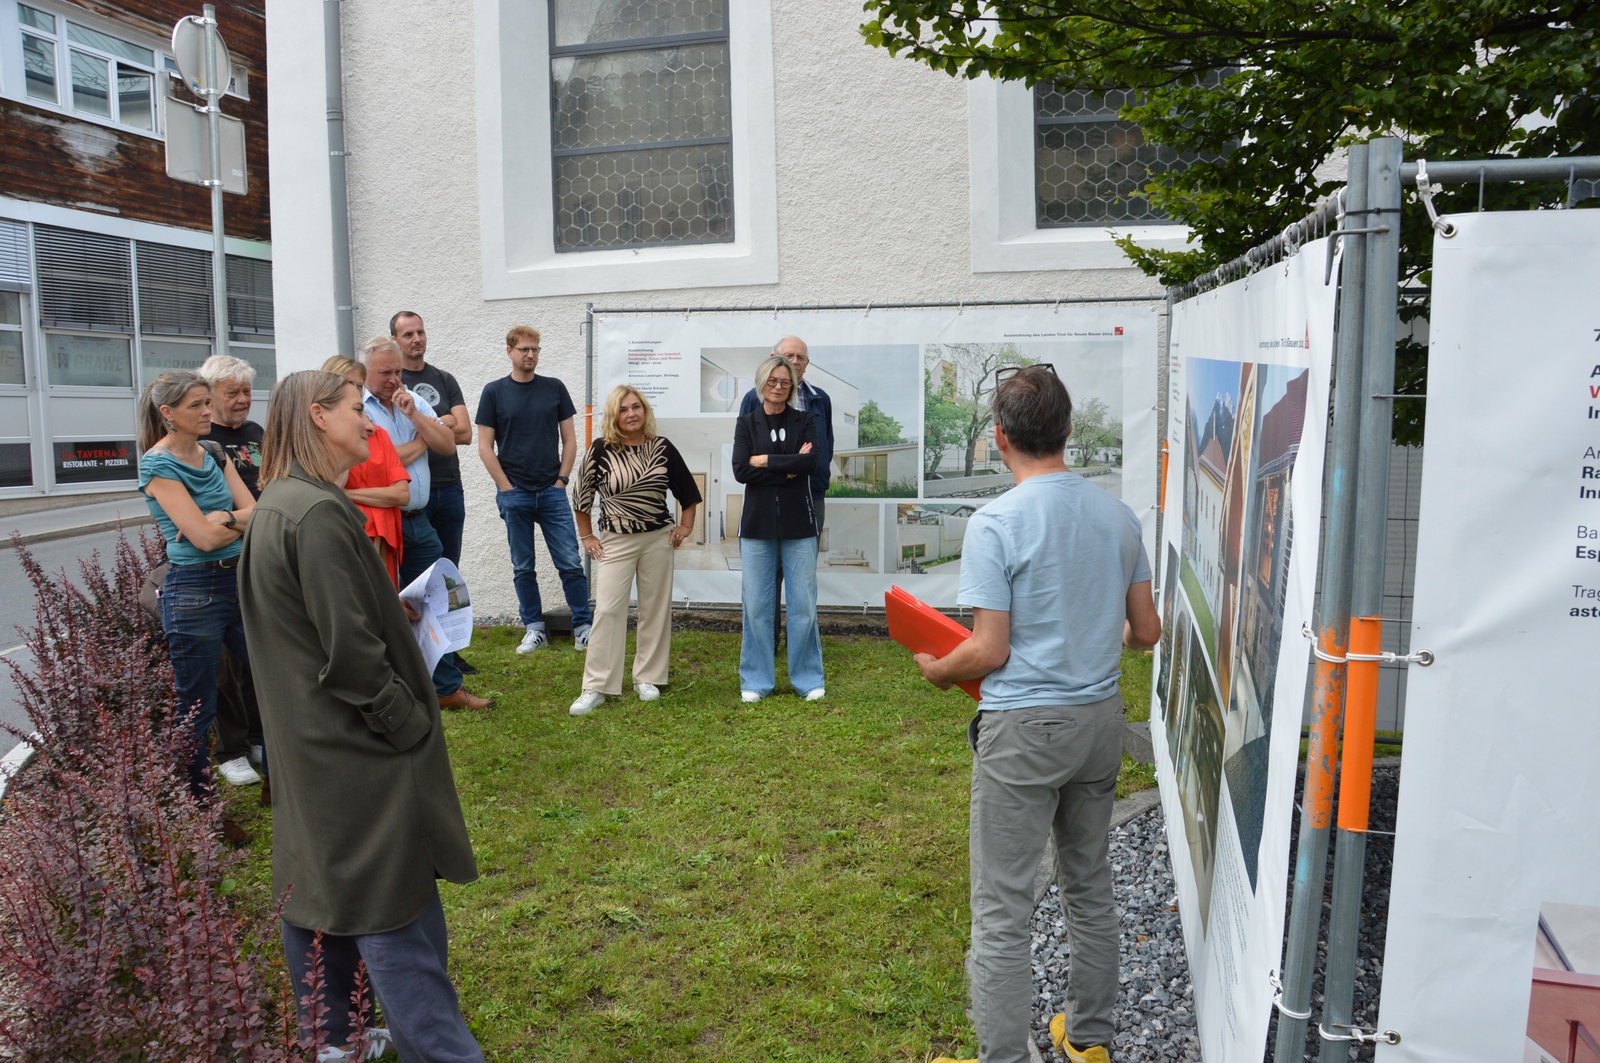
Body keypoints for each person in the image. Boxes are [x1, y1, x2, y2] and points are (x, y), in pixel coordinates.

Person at [912, 365, 1161, 1063]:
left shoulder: (995, 522)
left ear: (999, 437)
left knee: (1001, 910)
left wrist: (939, 668)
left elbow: (988, 648)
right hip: (1100, 722)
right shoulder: (1119, 516)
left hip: (1024, 730)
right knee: (1089, 886)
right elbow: (1146, 631)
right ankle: (1089, 1040)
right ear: (1068, 431)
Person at [239, 370, 483, 1063]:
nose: (370, 423)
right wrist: (408, 722)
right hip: (354, 747)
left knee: (321, 889)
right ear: (318, 416)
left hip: (311, 743)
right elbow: (351, 658)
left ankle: (335, 1038)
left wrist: (385, 605)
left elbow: (313, 625)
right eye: (355, 410)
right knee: (391, 902)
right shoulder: (317, 514)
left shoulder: (283, 503)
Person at [136, 371, 256, 823]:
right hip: (194, 592)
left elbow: (256, 510)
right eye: (197, 405)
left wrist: (222, 517)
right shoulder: (157, 466)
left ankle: (280, 779)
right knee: (196, 707)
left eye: (208, 402)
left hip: (239, 581)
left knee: (271, 675)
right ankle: (202, 811)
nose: (208, 411)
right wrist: (230, 520)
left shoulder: (214, 452)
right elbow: (203, 540)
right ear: (168, 413)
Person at [363, 337, 492, 710]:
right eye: (384, 373)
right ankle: (399, 687)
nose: (393, 379)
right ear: (366, 372)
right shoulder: (360, 409)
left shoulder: (412, 401)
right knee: (388, 606)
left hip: (419, 520)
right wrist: (420, 443)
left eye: (397, 371)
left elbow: (448, 445)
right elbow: (380, 463)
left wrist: (416, 419)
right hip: (383, 521)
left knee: (439, 598)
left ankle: (446, 687)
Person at [568, 386, 701, 717]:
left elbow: (688, 491)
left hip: (658, 539)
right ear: (614, 416)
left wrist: (685, 527)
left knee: (654, 609)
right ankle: (596, 686)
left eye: (636, 407)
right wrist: (587, 536)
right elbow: (581, 497)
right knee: (608, 610)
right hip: (616, 540)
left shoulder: (661, 447)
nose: (631, 414)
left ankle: (648, 677)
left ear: (645, 411)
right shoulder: (601, 449)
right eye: (624, 409)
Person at [476, 325, 592, 654]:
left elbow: (570, 440)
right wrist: (506, 488)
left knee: (570, 562)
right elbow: (484, 447)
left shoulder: (554, 388)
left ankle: (583, 628)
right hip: (515, 494)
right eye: (524, 349)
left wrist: (562, 481)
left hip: (551, 492)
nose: (530, 355)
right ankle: (534, 628)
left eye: (535, 349)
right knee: (523, 566)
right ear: (509, 352)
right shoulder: (494, 392)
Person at [732, 355, 824, 703]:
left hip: (799, 523)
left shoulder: (805, 420)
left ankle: (807, 679)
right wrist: (788, 468)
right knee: (756, 605)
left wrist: (766, 461)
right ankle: (756, 680)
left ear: (793, 386)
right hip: (757, 525)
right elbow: (741, 470)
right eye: (773, 381)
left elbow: (811, 462)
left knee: (803, 605)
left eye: (785, 382)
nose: (779, 387)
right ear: (762, 383)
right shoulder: (746, 423)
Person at [393, 311, 479, 676]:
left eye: (420, 332)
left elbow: (465, 433)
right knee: (415, 583)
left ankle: (448, 653)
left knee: (447, 577)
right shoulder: (393, 384)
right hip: (415, 497)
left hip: (450, 489)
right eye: (408, 334)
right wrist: (440, 425)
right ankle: (418, 655)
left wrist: (429, 428)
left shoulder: (444, 379)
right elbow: (445, 429)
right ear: (395, 340)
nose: (416, 339)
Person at [197, 354, 266, 793]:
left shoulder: (257, 433)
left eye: (246, 391)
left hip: (260, 554)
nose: (242, 400)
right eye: (232, 393)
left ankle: (259, 738)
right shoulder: (203, 441)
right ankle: (231, 750)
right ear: (209, 397)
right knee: (224, 664)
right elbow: (209, 515)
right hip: (221, 560)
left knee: (258, 653)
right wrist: (244, 518)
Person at [738, 336, 833, 645]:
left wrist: (771, 462)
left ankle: (800, 643)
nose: (794, 362)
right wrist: (790, 468)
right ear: (773, 359)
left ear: (807, 364)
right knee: (766, 577)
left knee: (800, 576)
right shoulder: (753, 398)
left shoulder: (819, 399)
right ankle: (770, 641)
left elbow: (820, 453)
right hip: (766, 500)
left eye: (800, 357)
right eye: (788, 355)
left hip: (810, 496)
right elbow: (744, 462)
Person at [324, 355, 410, 587]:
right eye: (347, 384)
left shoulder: (378, 435)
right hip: (347, 534)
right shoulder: (322, 436)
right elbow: (330, 489)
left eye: (359, 386)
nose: (355, 392)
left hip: (384, 535)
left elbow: (401, 494)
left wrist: (349, 495)